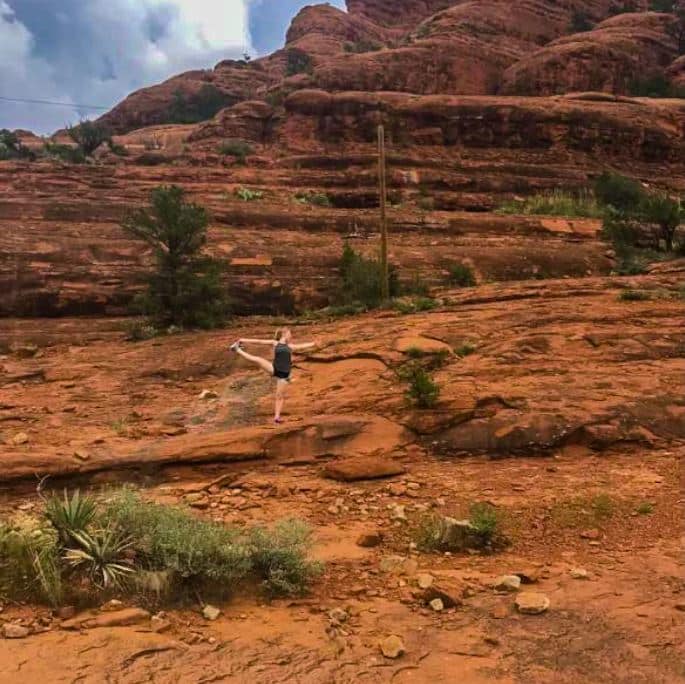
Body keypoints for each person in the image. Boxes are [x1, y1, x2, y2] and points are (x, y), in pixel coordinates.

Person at [230, 328, 317, 424]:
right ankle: (237, 349)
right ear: (284, 334)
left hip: (284, 375)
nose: (291, 336)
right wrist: (243, 339)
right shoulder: (275, 343)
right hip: (274, 369)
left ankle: (277, 417)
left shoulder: (290, 346)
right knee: (257, 359)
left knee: (279, 396)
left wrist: (313, 343)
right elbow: (259, 341)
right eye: (289, 333)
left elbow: (302, 346)